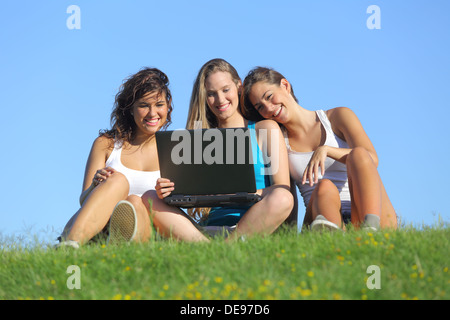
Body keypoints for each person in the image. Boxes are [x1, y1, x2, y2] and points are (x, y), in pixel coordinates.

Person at [143, 59, 294, 241]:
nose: (220, 100)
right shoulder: (199, 139)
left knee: (283, 197)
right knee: (150, 197)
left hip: (254, 226)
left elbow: (282, 187)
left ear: (239, 86)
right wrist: (166, 191)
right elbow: (186, 194)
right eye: (211, 94)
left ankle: (229, 246)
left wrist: (241, 194)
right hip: (209, 229)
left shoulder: (265, 129)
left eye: (225, 90)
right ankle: (206, 246)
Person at [241, 66, 397, 231]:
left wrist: (326, 150)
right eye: (260, 107)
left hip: (364, 210)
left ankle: (370, 230)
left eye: (269, 97)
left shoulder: (338, 117)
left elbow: (372, 158)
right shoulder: (278, 140)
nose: (269, 108)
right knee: (325, 186)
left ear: (285, 86)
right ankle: (331, 231)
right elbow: (287, 191)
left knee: (359, 153)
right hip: (320, 212)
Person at [58, 67, 173, 248]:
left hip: (150, 231)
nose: (152, 113)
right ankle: (70, 244)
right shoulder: (106, 144)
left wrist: (169, 194)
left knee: (135, 202)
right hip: (101, 226)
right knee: (118, 180)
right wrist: (96, 185)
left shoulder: (174, 149)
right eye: (144, 105)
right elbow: (83, 200)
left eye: (159, 105)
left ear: (168, 106)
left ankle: (117, 248)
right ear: (130, 109)